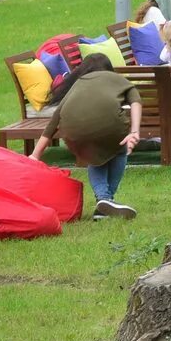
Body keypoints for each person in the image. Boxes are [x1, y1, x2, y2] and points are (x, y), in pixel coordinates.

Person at [29, 54, 141, 219]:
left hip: (74, 131)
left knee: (92, 153)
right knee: (119, 151)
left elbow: (54, 122)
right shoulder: (117, 79)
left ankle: (104, 207)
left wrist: (35, 154)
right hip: (112, 127)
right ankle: (105, 198)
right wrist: (135, 131)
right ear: (109, 68)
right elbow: (136, 101)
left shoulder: (77, 85)